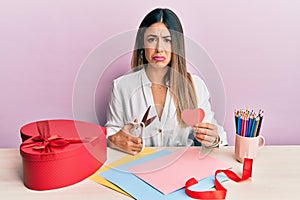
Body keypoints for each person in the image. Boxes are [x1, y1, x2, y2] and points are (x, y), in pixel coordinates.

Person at [105, 8, 228, 155]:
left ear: (176, 46)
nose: (159, 49)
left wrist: (214, 138)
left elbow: (217, 133)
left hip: (182, 169)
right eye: (152, 39)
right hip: (136, 167)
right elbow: (112, 131)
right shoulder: (121, 86)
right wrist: (113, 139)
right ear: (142, 45)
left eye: (167, 40)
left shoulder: (195, 86)